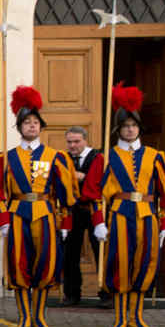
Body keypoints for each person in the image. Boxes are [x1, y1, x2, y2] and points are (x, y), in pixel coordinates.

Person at [0, 85, 77, 327]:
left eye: (35, 122)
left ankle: (40, 319)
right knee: (20, 266)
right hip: (17, 215)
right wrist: (2, 218)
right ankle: (24, 319)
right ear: (19, 127)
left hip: (45, 214)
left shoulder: (55, 157)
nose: (31, 126)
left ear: (41, 127)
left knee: (44, 266)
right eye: (27, 122)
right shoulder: (7, 158)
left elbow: (64, 193)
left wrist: (65, 222)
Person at [89, 84, 165, 327]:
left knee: (144, 265)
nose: (130, 129)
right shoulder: (106, 157)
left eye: (134, 125)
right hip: (119, 216)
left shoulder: (155, 156)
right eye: (126, 125)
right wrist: (98, 222)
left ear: (139, 128)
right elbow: (94, 193)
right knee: (120, 265)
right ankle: (119, 320)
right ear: (119, 128)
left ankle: (137, 320)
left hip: (147, 217)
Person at [61, 125, 108, 306]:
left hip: (94, 209)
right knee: (70, 253)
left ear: (85, 140)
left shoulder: (98, 157)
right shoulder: (64, 159)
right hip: (73, 210)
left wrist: (82, 177)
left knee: (100, 250)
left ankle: (106, 292)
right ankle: (72, 293)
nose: (72, 145)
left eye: (76, 141)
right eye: (69, 142)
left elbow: (101, 182)